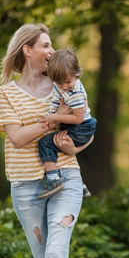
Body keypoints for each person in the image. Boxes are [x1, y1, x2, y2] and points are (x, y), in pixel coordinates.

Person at [0, 24, 90, 258]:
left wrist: (75, 147)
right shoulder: (6, 93)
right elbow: (17, 138)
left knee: (54, 254)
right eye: (45, 46)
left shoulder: (65, 81)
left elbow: (85, 124)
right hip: (25, 186)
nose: (52, 51)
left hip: (65, 179)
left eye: (51, 46)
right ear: (27, 50)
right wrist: (52, 122)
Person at [37, 48, 96, 199]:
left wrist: (55, 118)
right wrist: (51, 115)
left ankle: (53, 180)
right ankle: (79, 184)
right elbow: (57, 100)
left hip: (81, 127)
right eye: (58, 83)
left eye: (68, 82)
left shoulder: (75, 93)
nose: (64, 86)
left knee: (46, 143)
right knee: (60, 144)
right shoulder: (61, 84)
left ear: (76, 74)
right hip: (76, 125)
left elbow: (78, 118)